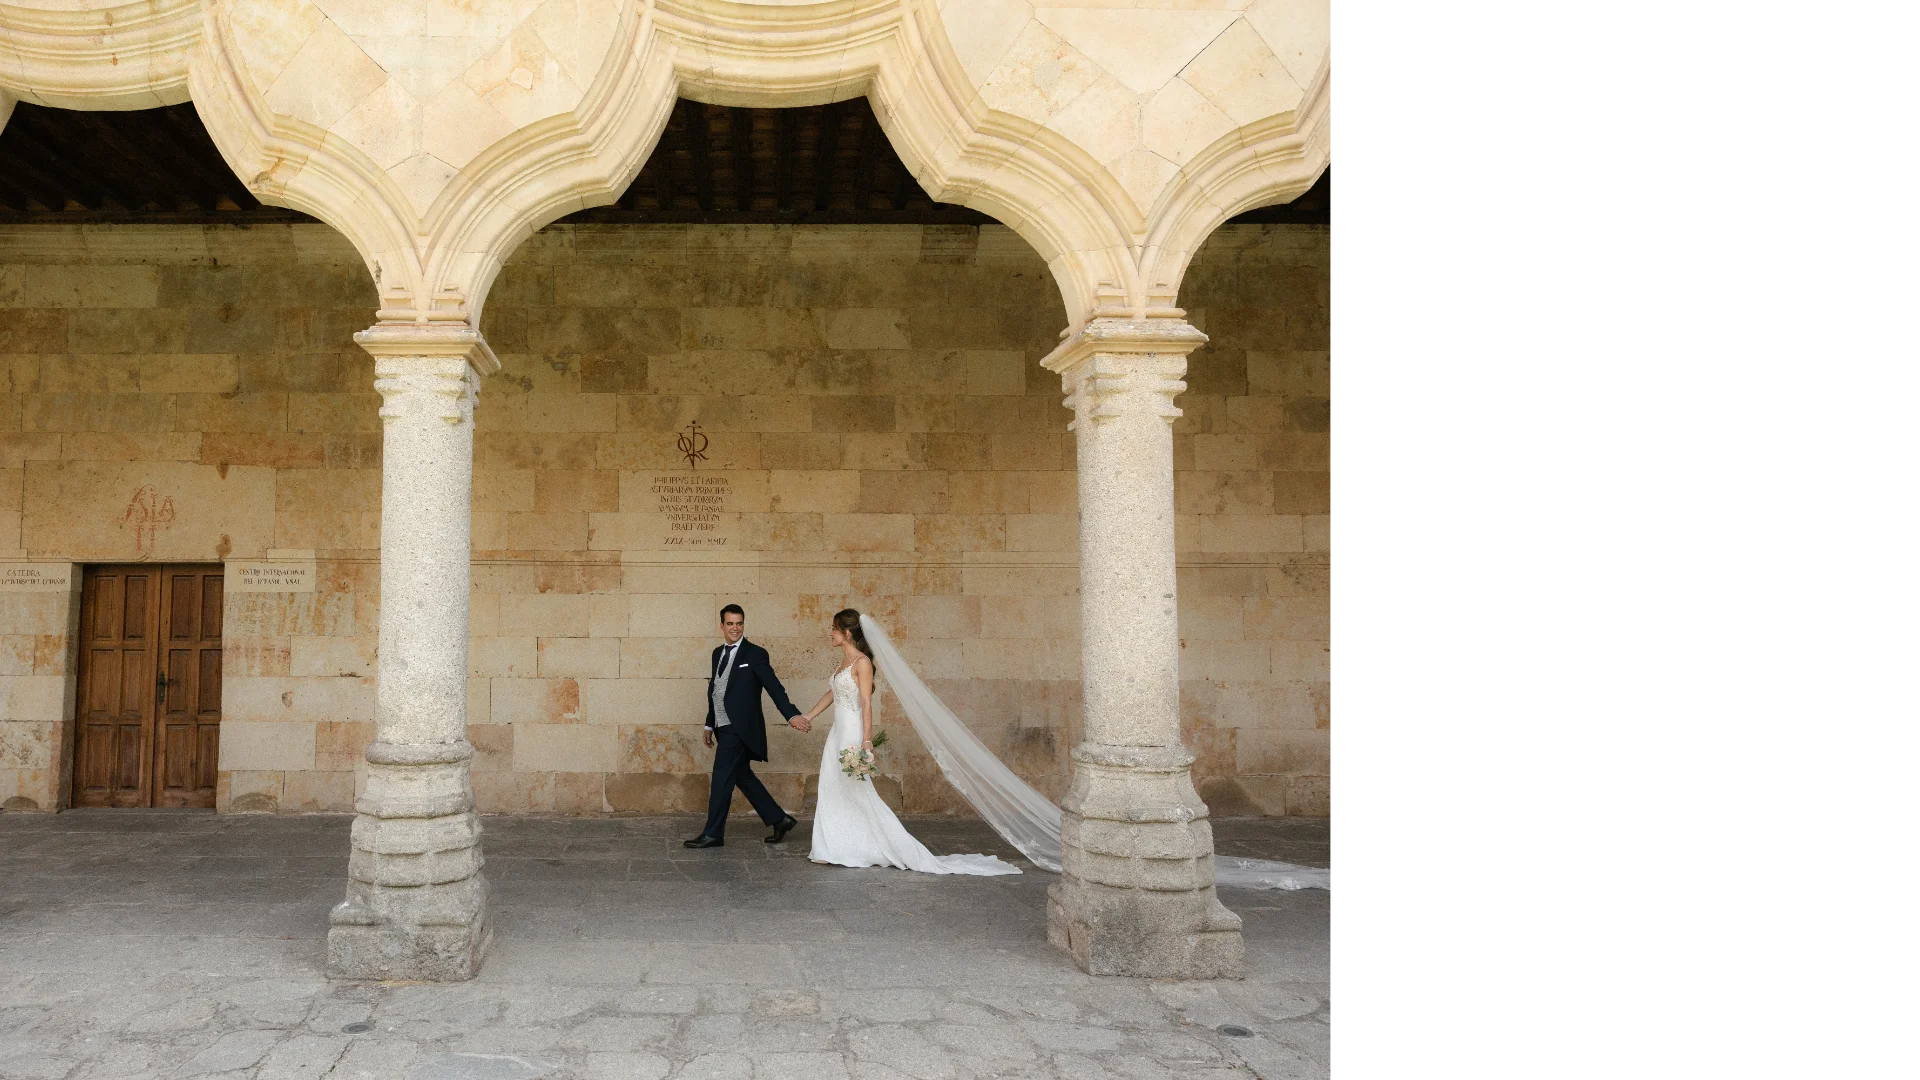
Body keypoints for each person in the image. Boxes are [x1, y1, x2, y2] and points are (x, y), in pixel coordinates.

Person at [791, 609, 1018, 875]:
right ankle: (832, 847)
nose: (830, 632)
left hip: (851, 734)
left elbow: (865, 703)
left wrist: (866, 741)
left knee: (858, 791)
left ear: (847, 633)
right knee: (832, 786)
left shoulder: (862, 663)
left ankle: (879, 845)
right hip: (836, 734)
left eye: (834, 628)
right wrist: (807, 716)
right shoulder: (843, 663)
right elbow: (832, 693)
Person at [685, 604, 811, 848]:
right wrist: (710, 725)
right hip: (723, 727)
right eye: (730, 623)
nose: (735, 628)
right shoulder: (716, 653)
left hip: (740, 728)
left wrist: (791, 715)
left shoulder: (755, 654)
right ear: (721, 625)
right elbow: (716, 691)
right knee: (742, 776)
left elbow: (774, 687)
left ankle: (713, 833)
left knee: (721, 778)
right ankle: (779, 819)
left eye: (739, 623)